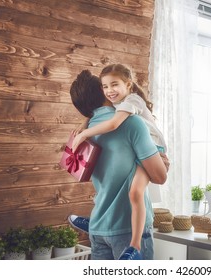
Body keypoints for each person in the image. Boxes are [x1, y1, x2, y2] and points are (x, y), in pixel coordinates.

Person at [69, 64, 167, 259]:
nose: (109, 90)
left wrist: (86, 125)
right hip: (128, 229)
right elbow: (160, 177)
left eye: (113, 85)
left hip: (99, 228)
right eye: (105, 86)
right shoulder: (131, 123)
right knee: (136, 192)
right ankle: (136, 246)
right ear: (102, 92)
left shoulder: (84, 131)